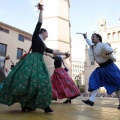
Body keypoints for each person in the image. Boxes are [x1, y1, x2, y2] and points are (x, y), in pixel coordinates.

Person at [0, 4, 70, 113]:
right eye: (46, 32)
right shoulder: (36, 36)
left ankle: (43, 105)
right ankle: (27, 104)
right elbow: (39, 22)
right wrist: (41, 11)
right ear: (42, 32)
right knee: (27, 82)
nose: (48, 34)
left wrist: (64, 52)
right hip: (32, 61)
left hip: (39, 62)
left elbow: (53, 51)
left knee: (44, 81)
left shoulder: (43, 44)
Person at [81, 33, 120, 109]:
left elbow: (109, 49)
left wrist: (108, 51)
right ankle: (91, 100)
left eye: (93, 36)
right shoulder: (93, 46)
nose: (92, 37)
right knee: (93, 80)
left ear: (98, 38)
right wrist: (85, 37)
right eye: (91, 37)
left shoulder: (103, 45)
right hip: (101, 68)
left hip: (109, 67)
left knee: (117, 86)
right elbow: (89, 42)